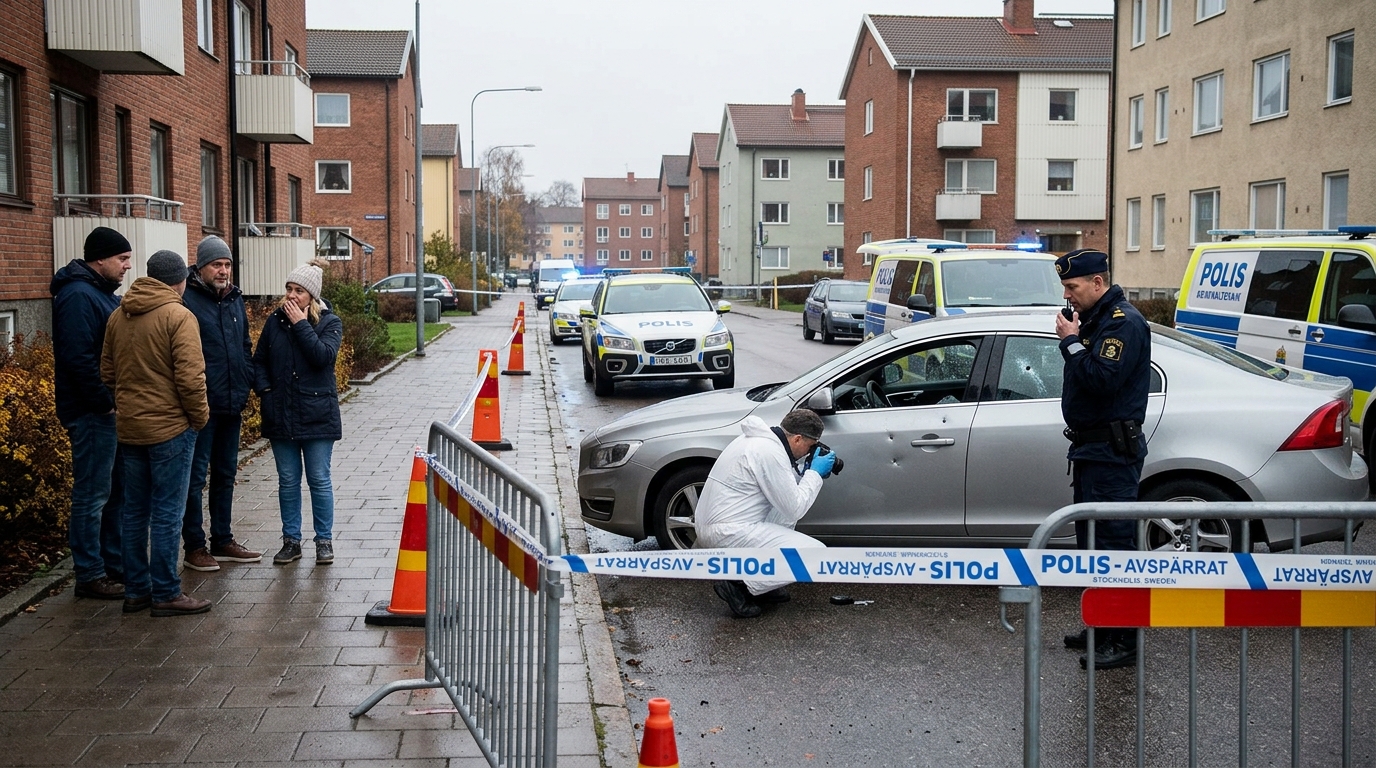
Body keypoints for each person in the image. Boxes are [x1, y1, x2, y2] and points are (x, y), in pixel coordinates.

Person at [1053, 248, 1151, 669]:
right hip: (1092, 450)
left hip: (1111, 453)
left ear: (1098, 283)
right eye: (1065, 289)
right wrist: (1076, 338)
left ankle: (1124, 642)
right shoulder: (1093, 320)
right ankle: (1101, 626)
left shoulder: (1122, 323)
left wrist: (1071, 344)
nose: (1068, 296)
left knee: (1115, 547)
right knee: (1092, 547)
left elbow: (1100, 380)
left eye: (1073, 287)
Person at [101, 250, 211, 617]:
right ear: (180, 280)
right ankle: (166, 591)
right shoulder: (179, 316)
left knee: (134, 511)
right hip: (170, 428)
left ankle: (137, 591)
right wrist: (199, 418)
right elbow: (191, 378)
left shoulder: (119, 314)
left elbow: (107, 371)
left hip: (131, 429)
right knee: (167, 512)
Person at [50, 226, 132, 601]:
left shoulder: (99, 294)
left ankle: (112, 566)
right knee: (93, 493)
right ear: (99, 258)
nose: (127, 266)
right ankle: (90, 574)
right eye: (122, 259)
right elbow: (78, 359)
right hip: (91, 413)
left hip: (104, 411)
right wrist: (104, 401)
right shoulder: (79, 296)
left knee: (112, 491)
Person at [693, 409, 838, 618]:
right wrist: (814, 473)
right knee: (815, 553)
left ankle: (765, 585)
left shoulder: (757, 441)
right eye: (810, 446)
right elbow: (796, 505)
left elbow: (786, 500)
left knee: (785, 514)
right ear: (797, 439)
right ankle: (740, 585)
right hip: (727, 532)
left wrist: (805, 470)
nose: (809, 451)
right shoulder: (770, 452)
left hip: (718, 525)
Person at [180, 236, 262, 572]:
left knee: (226, 473)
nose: (224, 270)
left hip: (231, 404)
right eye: (217, 264)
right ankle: (195, 547)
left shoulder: (234, 300)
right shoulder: (187, 300)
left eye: (227, 264)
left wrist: (245, 385)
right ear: (201, 267)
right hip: (201, 408)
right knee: (195, 478)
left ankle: (223, 539)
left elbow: (243, 346)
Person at [253, 260, 343, 566]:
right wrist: (266, 391)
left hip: (317, 413)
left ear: (312, 296)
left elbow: (322, 357)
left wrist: (301, 324)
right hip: (281, 412)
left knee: (319, 479)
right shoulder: (274, 322)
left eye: (299, 291)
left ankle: (324, 541)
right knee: (288, 480)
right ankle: (291, 540)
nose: (292, 296)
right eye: (289, 289)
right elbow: (259, 361)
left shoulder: (330, 322)